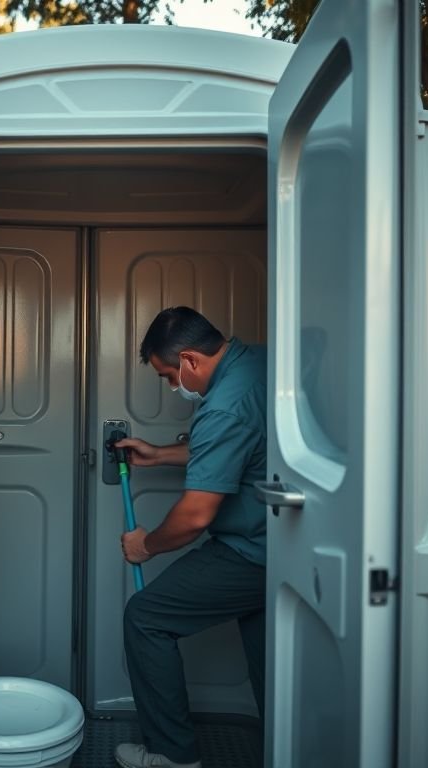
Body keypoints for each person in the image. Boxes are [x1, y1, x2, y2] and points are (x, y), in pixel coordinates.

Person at [113, 306, 267, 768]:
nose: (173, 385)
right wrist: (159, 454)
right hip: (284, 548)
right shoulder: (257, 365)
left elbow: (196, 514)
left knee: (145, 618)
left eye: (168, 376)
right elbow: (235, 452)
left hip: (250, 552)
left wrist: (147, 545)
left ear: (191, 361)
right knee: (268, 656)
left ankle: (172, 757)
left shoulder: (223, 406)